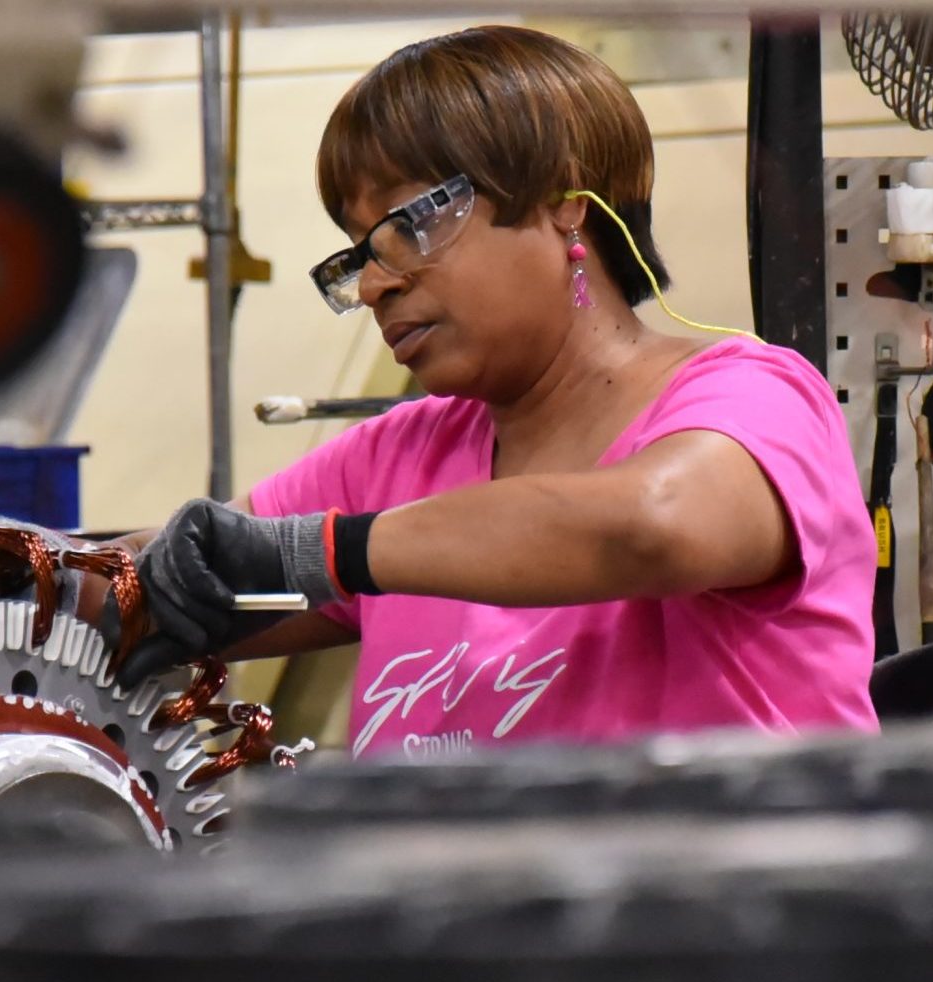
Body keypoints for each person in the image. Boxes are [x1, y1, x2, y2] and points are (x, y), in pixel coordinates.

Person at [117, 25, 875, 757]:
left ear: (561, 200)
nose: (378, 283)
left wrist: (330, 551)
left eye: (409, 224)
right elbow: (161, 578)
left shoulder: (756, 396)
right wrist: (29, 573)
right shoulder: (398, 456)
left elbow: (655, 525)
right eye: (361, 254)